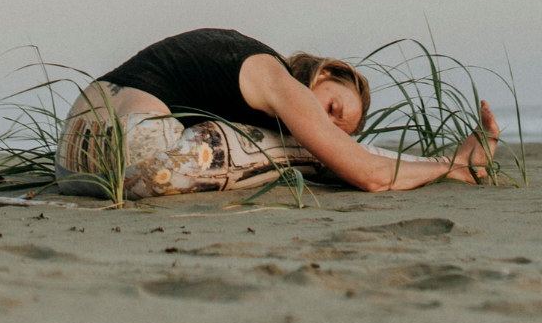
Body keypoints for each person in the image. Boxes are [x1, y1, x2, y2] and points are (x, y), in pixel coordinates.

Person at [55, 28, 499, 200]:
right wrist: (450, 168)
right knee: (311, 154)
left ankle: (451, 163)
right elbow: (370, 176)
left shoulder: (242, 65)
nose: (323, 122)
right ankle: (455, 165)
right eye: (331, 107)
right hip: (140, 152)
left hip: (73, 159)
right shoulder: (278, 77)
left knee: (316, 149)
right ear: (325, 72)